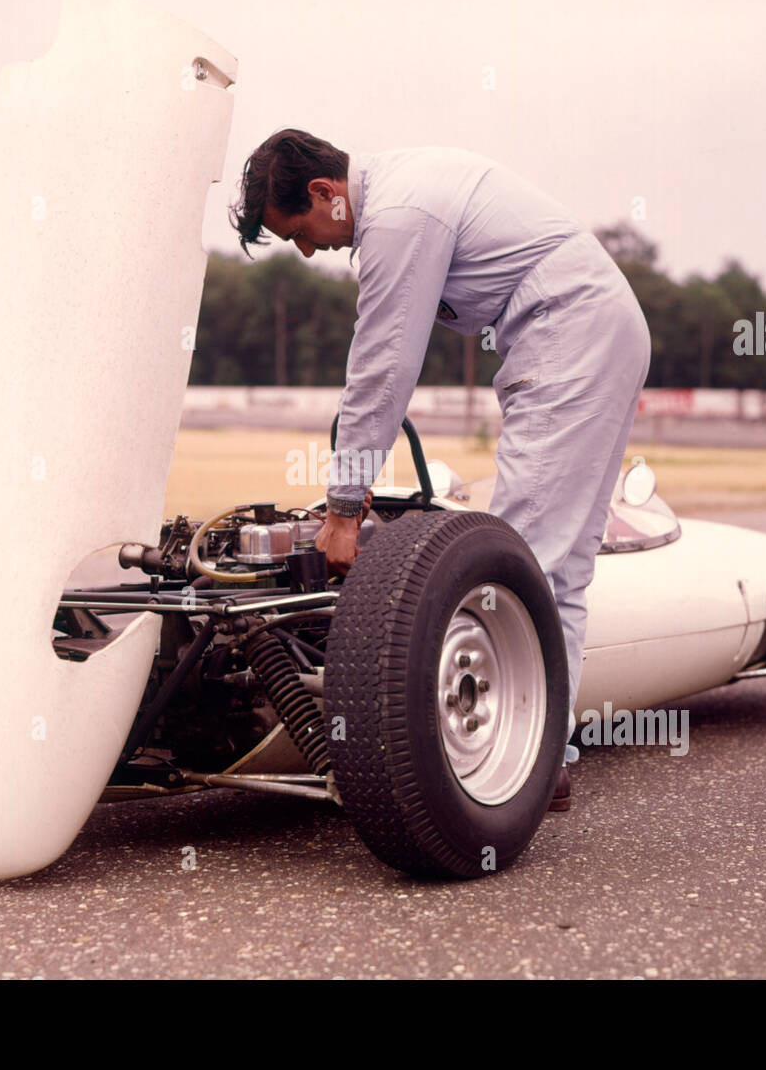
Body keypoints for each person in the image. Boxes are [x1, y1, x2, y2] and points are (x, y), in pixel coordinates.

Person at [230, 130, 651, 807]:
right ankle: (544, 759)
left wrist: (343, 509)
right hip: (601, 326)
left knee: (513, 562)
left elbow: (383, 368)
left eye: (300, 231)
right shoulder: (403, 190)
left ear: (324, 192)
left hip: (571, 333)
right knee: (559, 569)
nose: (307, 250)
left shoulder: (399, 215)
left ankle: (489, 761)